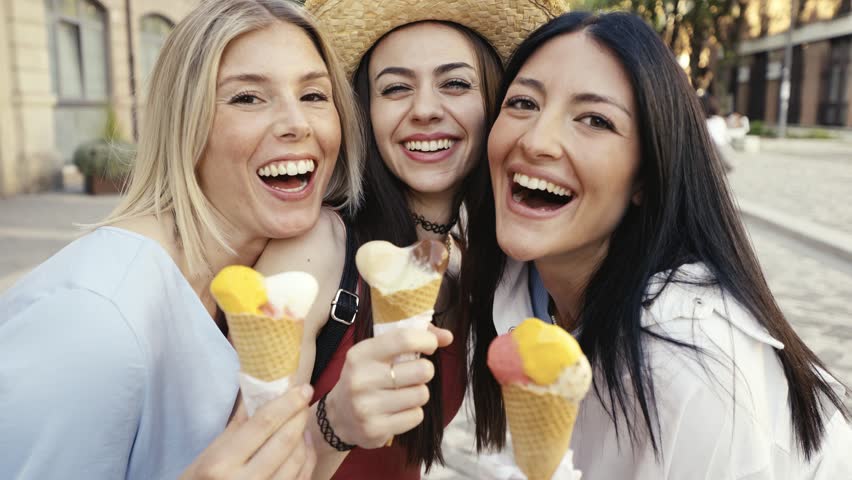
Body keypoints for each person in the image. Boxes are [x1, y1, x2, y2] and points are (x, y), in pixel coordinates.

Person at [461, 11, 852, 478]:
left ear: (646, 175)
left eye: (595, 120)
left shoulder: (689, 363)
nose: (538, 140)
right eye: (523, 103)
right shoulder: (518, 289)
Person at [0, 1, 363, 478]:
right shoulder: (96, 320)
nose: (297, 123)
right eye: (247, 98)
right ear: (184, 123)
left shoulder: (276, 266)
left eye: (314, 95)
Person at [256, 1, 565, 478]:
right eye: (396, 88)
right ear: (365, 111)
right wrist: (334, 422)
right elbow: (250, 465)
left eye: (456, 84)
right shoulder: (316, 248)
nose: (424, 110)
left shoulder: (484, 265)